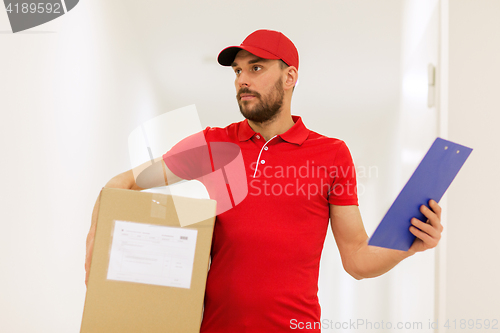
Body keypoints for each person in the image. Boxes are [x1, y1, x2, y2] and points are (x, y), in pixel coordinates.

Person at [85, 29, 443, 332]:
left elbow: (356, 258)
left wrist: (406, 245)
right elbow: (123, 185)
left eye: (256, 68)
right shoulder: (214, 144)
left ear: (290, 77)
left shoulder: (332, 154)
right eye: (238, 71)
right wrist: (97, 253)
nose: (243, 79)